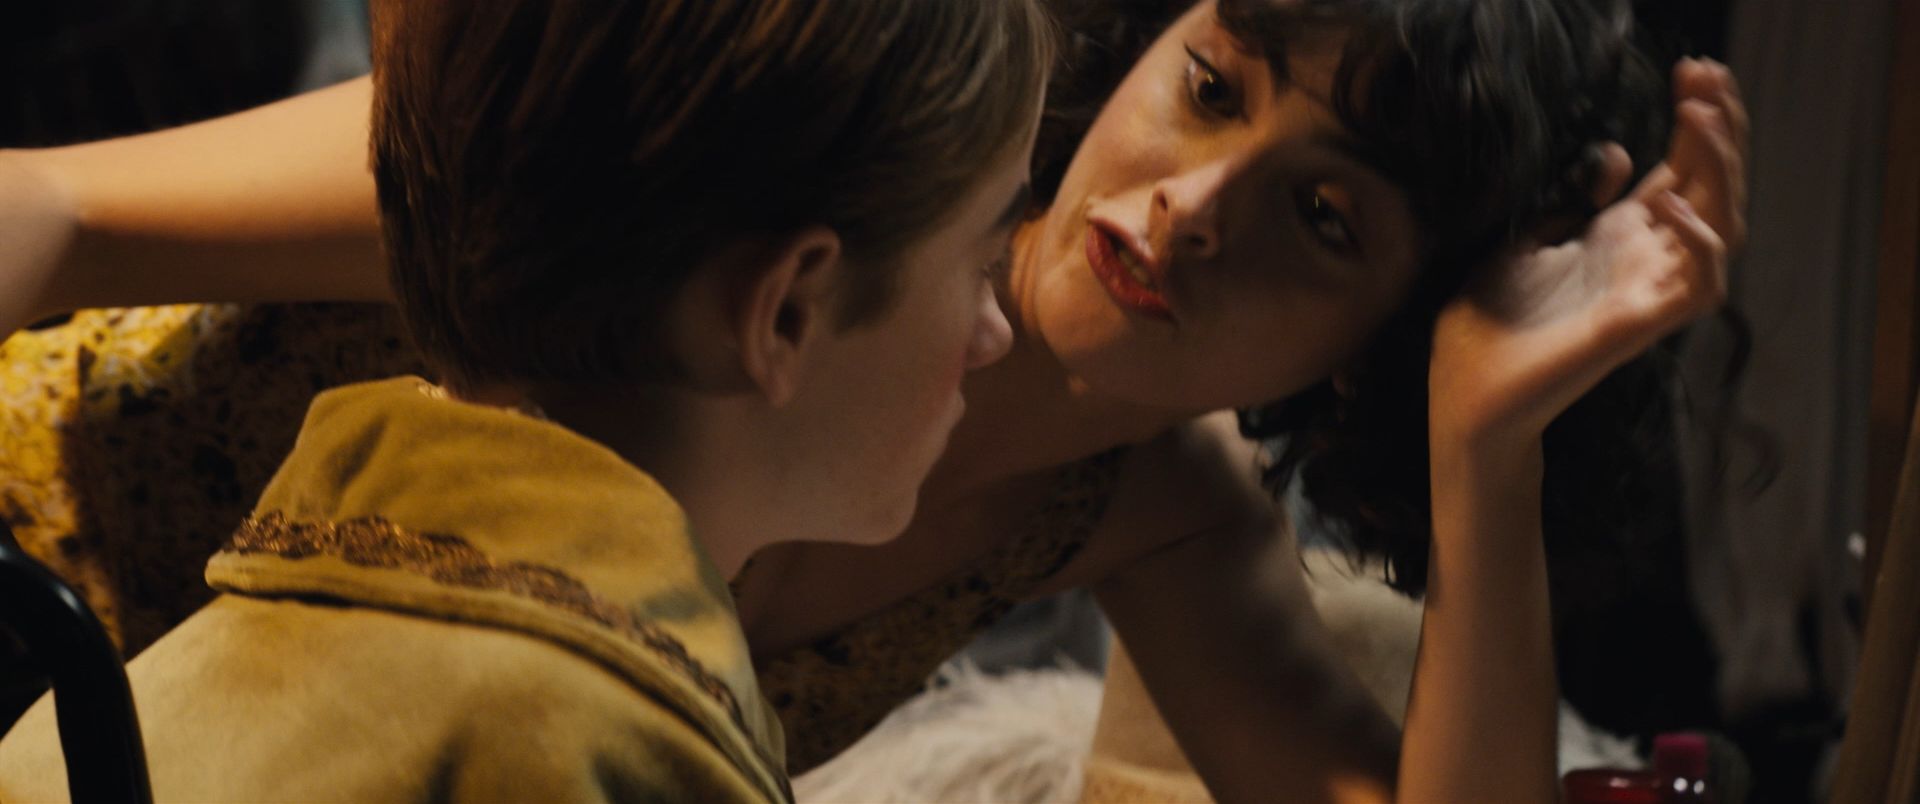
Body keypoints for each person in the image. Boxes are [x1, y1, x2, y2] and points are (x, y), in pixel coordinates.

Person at [0, 0, 1747, 799]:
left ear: (1375, 342)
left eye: (1326, 216)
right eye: (1215, 86)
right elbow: (47, 207)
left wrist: (1490, 446)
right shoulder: (738, 146)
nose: (1194, 202)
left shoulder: (1150, 504)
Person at [0, 0, 1050, 801]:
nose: (993, 330)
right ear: (785, 313)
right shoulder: (603, 755)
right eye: (982, 260)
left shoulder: (168, 678)